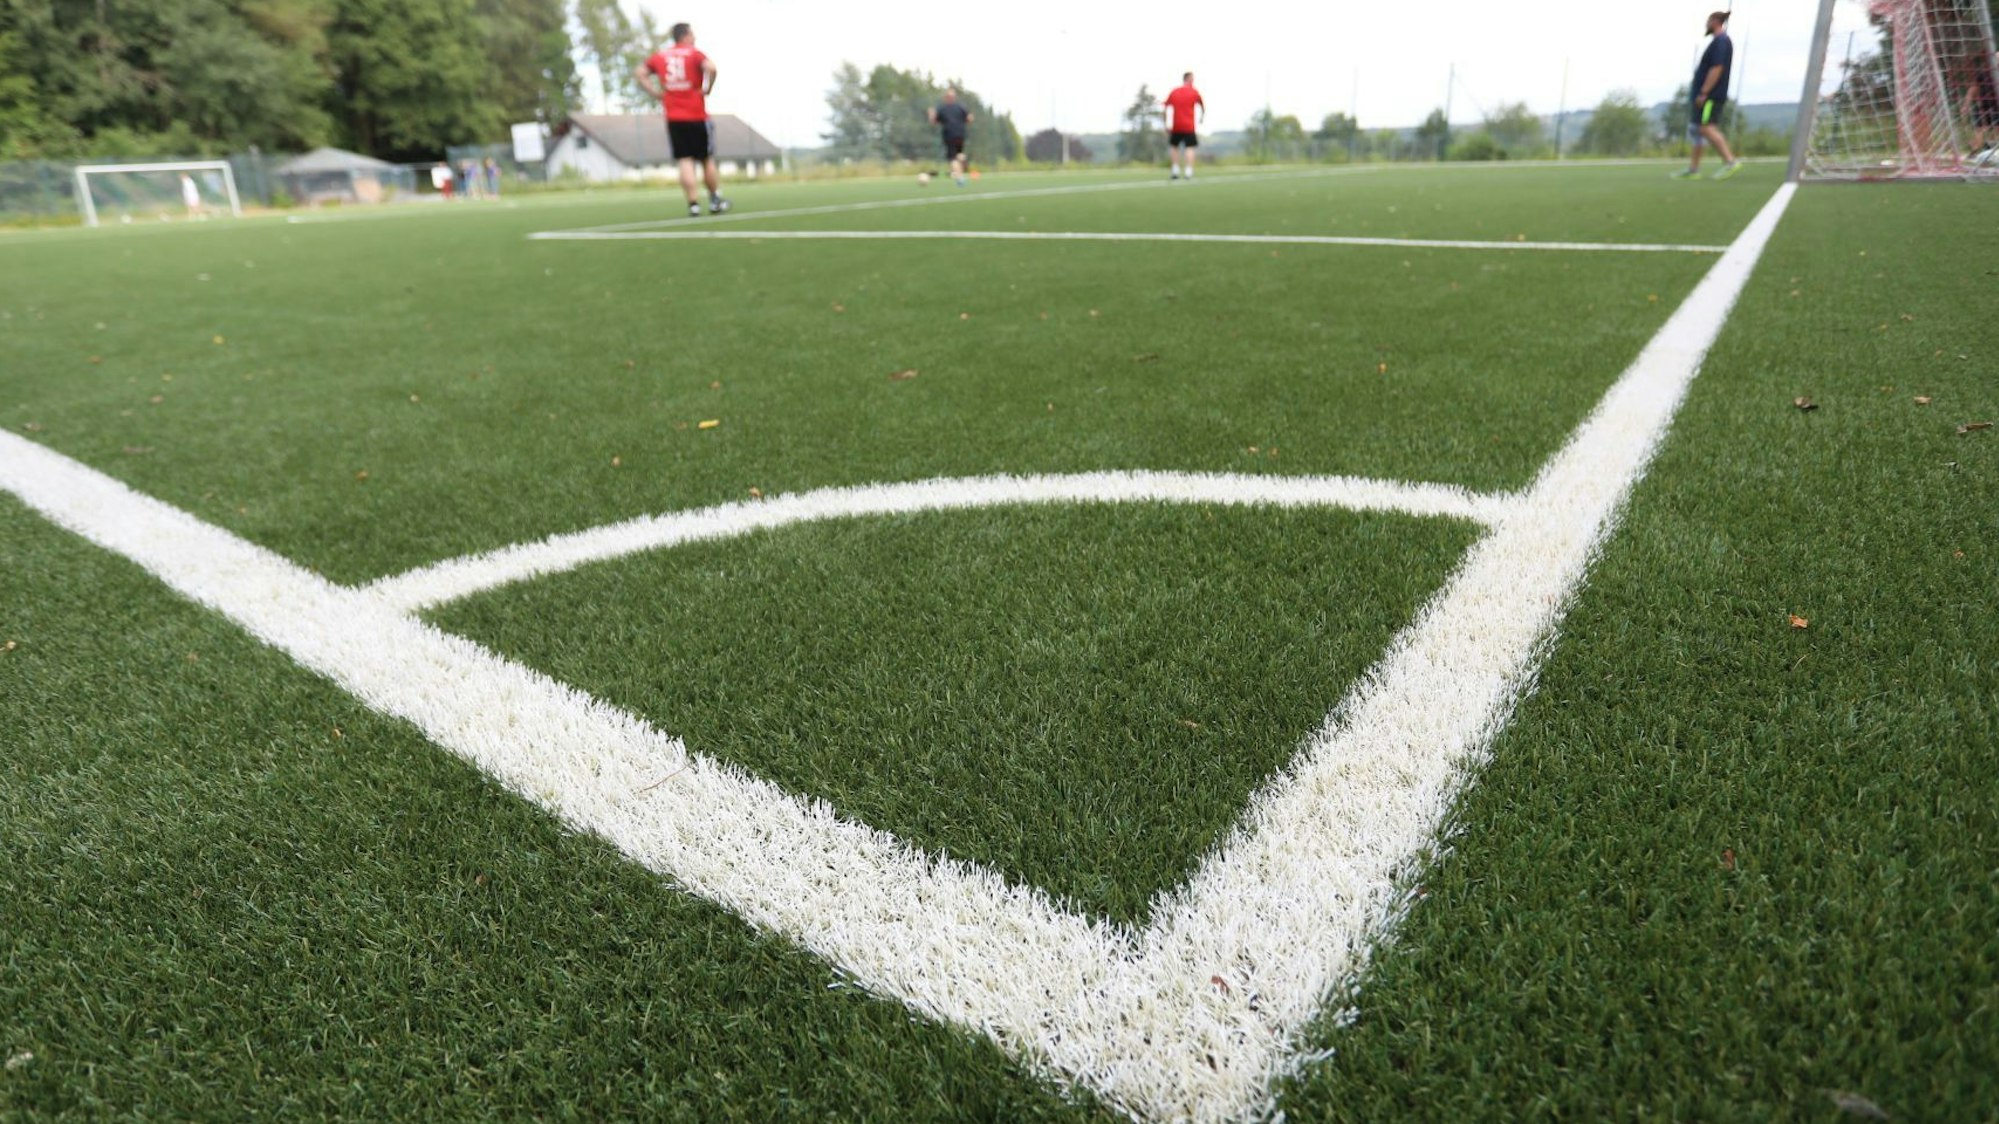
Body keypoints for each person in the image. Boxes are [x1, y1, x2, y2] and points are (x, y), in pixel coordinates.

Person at [637, 23, 730, 217]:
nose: (694, 37)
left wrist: (655, 93)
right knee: (705, 159)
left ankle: (693, 204)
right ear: (686, 35)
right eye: (692, 33)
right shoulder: (694, 53)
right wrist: (707, 88)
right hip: (696, 114)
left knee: (685, 160)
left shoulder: (661, 56)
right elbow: (711, 68)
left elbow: (640, 72)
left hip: (674, 117)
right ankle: (714, 200)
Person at [1674, 11, 1742, 180]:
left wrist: (1704, 92)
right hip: (1705, 95)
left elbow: (1717, 67)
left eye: (1708, 21)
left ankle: (1730, 161)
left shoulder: (1721, 41)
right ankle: (1693, 169)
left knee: (1706, 127)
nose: (1706, 24)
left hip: (1710, 96)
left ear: (1715, 21)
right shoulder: (1717, 42)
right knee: (1698, 128)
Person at [1162, 72, 1205, 180]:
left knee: (1174, 146)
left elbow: (1166, 107)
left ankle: (1175, 170)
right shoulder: (1194, 92)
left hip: (1176, 125)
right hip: (1188, 126)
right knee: (1189, 147)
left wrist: (1166, 123)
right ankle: (1188, 171)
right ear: (1189, 79)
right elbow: (1202, 107)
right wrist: (1201, 118)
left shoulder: (1174, 91)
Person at [928, 88, 973, 186]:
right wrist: (961, 122)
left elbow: (934, 121)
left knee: (952, 158)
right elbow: (970, 118)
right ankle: (963, 163)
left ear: (946, 98)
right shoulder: (961, 107)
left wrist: (931, 114)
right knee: (959, 154)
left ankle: (960, 178)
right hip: (961, 134)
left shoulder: (942, 108)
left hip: (949, 135)